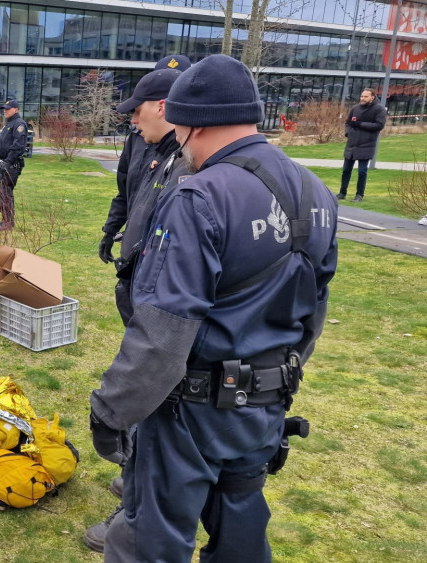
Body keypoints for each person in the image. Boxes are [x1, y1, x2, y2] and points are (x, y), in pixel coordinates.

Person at [87, 55, 338, 561]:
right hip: (264, 402)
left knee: (149, 540)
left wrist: (111, 411)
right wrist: (276, 378)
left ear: (193, 123)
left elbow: (162, 331)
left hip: (189, 410)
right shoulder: (317, 192)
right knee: (240, 528)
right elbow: (314, 310)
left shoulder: (198, 195)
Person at [83, 66, 188, 554]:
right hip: (142, 291)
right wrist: (115, 231)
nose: (131, 122)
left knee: (156, 406)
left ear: (164, 107)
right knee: (152, 408)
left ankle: (135, 511)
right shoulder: (157, 152)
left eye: (139, 111)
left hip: (165, 313)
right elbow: (129, 193)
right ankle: (134, 482)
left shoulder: (192, 164)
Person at [101, 54, 192, 272]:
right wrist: (111, 229)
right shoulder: (138, 137)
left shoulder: (189, 155)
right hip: (134, 252)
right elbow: (126, 191)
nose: (135, 119)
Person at [338, 88, 387, 202]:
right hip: (352, 144)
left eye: (365, 96)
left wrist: (361, 124)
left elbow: (379, 125)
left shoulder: (379, 109)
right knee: (346, 170)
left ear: (372, 97)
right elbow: (348, 122)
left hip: (367, 144)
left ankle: (359, 195)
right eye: (362, 96)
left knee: (362, 171)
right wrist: (348, 133)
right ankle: (342, 193)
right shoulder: (355, 108)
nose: (362, 99)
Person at [0, 98, 28, 231]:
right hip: (5, 163)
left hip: (12, 165)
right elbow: (3, 148)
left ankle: (8, 223)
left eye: (8, 109)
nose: (5, 111)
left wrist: (7, 163)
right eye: (4, 109)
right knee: (2, 192)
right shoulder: (9, 124)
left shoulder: (19, 124)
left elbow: (18, 147)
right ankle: (5, 220)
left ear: (16, 109)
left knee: (6, 193)